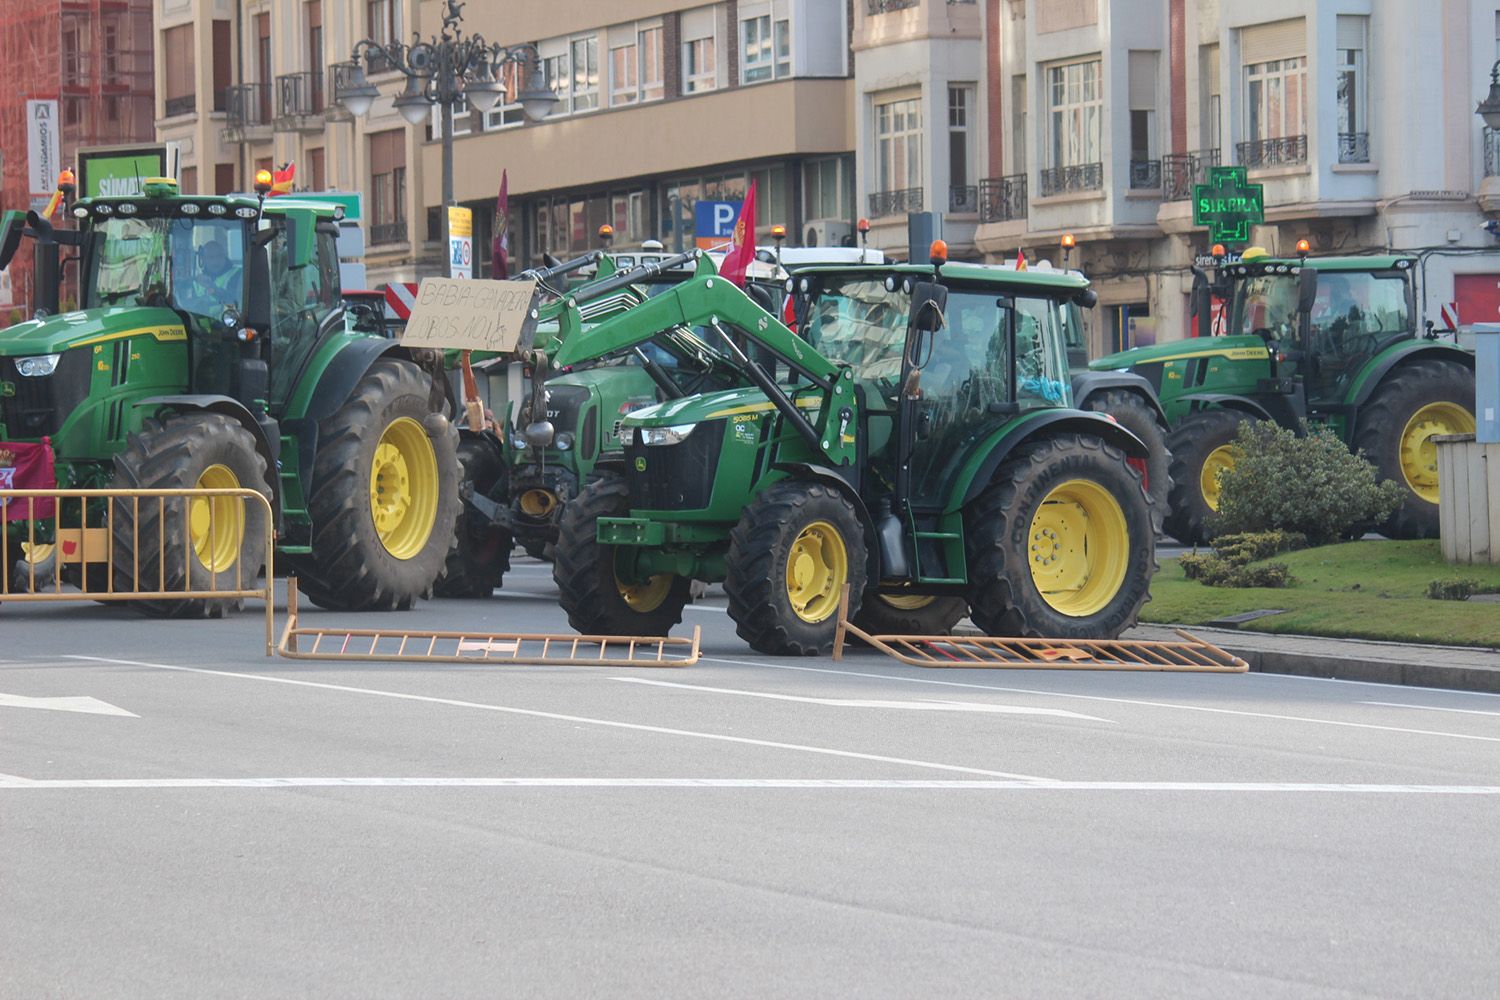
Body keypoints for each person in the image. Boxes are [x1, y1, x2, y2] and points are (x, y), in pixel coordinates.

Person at [180, 239, 242, 316]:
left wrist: (213, 288)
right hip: (198, 326)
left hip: (226, 325)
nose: (215, 261)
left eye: (219, 256)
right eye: (210, 257)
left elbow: (234, 301)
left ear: (224, 255)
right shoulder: (197, 281)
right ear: (203, 259)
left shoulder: (237, 275)